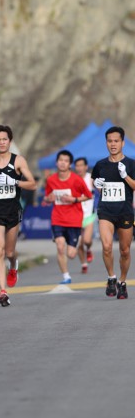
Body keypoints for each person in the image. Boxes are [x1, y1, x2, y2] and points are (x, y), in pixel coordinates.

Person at [0, 125, 37, 307]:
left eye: (5, 139)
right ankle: (2, 291)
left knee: (9, 252)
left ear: (10, 141)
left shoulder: (18, 161)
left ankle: (13, 265)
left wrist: (14, 181)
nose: (2, 142)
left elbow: (33, 184)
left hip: (13, 211)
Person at [91, 126, 135, 299]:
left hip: (125, 211)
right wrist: (97, 185)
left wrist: (125, 176)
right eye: (110, 141)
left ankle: (122, 281)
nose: (113, 144)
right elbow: (96, 183)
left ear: (122, 143)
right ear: (106, 143)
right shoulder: (100, 165)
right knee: (107, 246)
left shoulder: (131, 164)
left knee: (125, 251)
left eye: (116, 141)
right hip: (106, 211)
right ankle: (111, 277)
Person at [43, 150, 92, 284]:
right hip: (57, 218)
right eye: (61, 160)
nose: (63, 163)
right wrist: (48, 198)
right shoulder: (51, 180)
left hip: (74, 220)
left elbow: (89, 196)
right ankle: (66, 276)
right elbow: (46, 197)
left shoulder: (77, 179)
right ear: (56, 162)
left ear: (70, 164)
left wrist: (74, 199)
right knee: (60, 246)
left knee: (71, 254)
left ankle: (78, 241)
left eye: (66, 161)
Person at [74, 157, 96, 274]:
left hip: (89, 215)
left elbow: (100, 188)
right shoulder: (73, 179)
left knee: (86, 240)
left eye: (81, 165)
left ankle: (89, 248)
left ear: (86, 167)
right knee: (78, 243)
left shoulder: (90, 178)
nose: (79, 168)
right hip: (76, 215)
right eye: (77, 166)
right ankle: (84, 264)